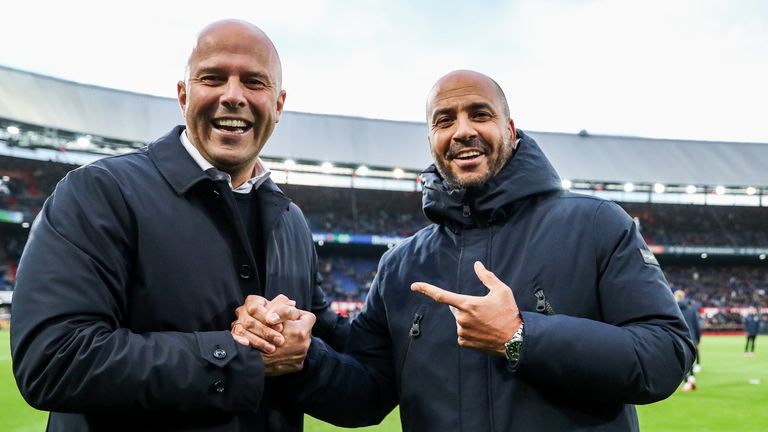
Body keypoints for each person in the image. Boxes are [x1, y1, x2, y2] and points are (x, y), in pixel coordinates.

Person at [237, 69, 696, 431]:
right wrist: (297, 356)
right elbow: (367, 396)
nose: (462, 131)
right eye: (444, 120)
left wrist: (521, 336)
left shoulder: (595, 224)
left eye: (480, 114)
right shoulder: (401, 266)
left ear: (510, 129)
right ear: (432, 141)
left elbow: (665, 354)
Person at [11, 19, 347, 431]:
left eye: (255, 83)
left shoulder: (290, 221)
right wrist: (239, 354)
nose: (233, 96)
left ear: (278, 105)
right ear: (184, 95)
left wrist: (295, 347)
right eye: (213, 78)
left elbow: (347, 379)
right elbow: (52, 360)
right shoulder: (99, 192)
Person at [675, 289, 700, 391]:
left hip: (680, 338)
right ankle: (692, 378)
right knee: (690, 360)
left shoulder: (674, 309)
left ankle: (686, 383)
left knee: (682, 362)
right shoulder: (692, 309)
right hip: (692, 338)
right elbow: (696, 326)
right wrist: (698, 340)